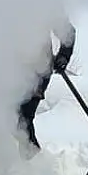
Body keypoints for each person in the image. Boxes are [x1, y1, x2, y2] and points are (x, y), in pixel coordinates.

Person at [18, 17, 76, 157]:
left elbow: (67, 31)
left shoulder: (44, 1)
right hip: (0, 71)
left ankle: (32, 160)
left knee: (20, 119)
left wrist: (63, 55)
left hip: (37, 70)